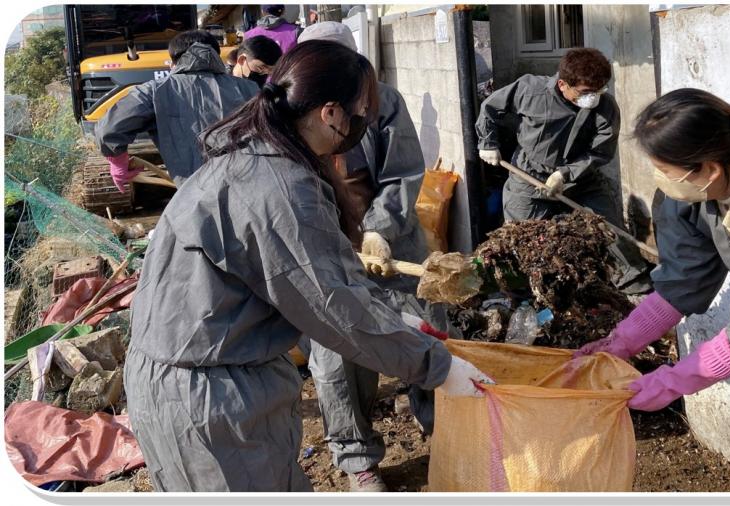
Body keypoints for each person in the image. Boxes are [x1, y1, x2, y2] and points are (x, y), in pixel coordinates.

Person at [123, 39, 493, 493]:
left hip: (204, 382)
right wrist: (439, 367)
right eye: (360, 113)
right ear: (331, 113)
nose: (363, 124)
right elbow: (333, 306)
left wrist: (395, 319)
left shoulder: (252, 155)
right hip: (209, 401)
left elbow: (324, 278)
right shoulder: (279, 188)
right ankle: (357, 453)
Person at [575, 88, 730, 492]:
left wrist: (668, 383)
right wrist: (621, 342)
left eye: (664, 170)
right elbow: (684, 279)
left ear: (709, 169)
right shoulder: (697, 191)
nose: (660, 180)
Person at [295, 21, 437, 492]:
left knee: (422, 332)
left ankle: (442, 427)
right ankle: (358, 457)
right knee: (337, 355)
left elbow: (403, 172)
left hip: (391, 241)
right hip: (326, 248)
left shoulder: (383, 103)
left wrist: (379, 229)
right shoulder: (291, 113)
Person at [475, 47, 650, 293]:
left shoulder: (606, 107)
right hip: (529, 176)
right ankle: (526, 293)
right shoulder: (530, 90)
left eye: (599, 90)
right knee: (520, 238)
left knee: (610, 229)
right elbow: (490, 108)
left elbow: (600, 152)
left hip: (581, 179)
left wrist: (565, 174)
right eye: (586, 92)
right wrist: (487, 143)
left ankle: (634, 284)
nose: (593, 97)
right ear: (562, 84)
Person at [96, 30, 259, 189]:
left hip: (196, 193)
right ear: (216, 55)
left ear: (173, 62)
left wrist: (118, 162)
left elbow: (109, 129)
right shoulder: (250, 88)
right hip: (251, 187)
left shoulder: (154, 91)